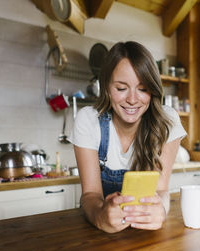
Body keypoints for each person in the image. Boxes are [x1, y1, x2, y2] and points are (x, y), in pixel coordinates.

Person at [70, 41, 187, 233]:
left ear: (153, 90)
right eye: (121, 88)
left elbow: (161, 190)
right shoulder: (89, 120)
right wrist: (101, 218)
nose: (132, 99)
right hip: (100, 237)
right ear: (107, 87)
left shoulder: (167, 120)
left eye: (142, 89)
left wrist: (162, 212)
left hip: (145, 235)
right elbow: (90, 195)